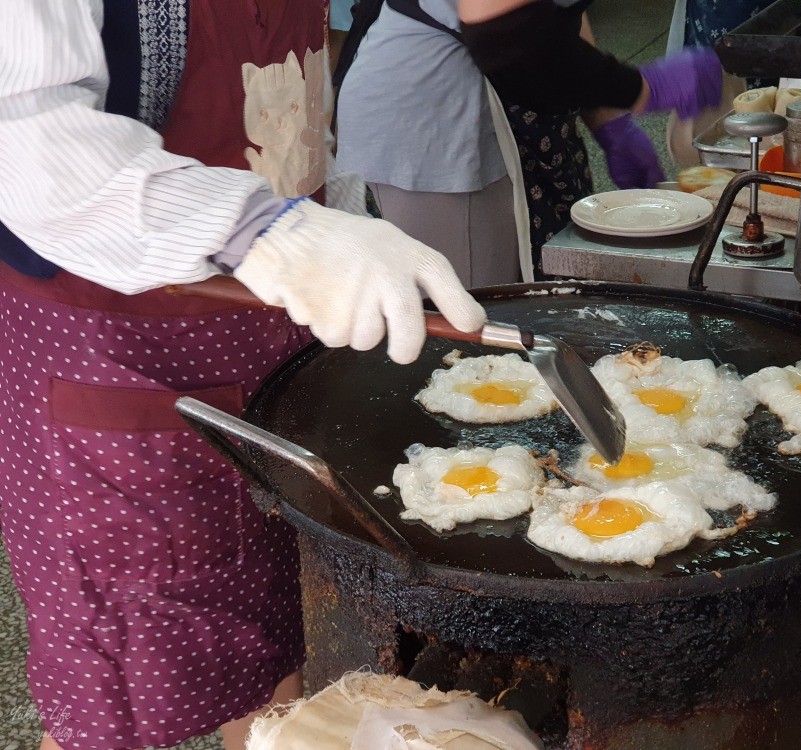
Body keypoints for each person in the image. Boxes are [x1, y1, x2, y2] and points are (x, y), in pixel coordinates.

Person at [0, 2, 485, 749]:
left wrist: (333, 225)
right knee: (122, 676)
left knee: (276, 637)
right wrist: (260, 230)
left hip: (273, 331)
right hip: (116, 347)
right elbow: (23, 133)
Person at [336, 0, 722, 283]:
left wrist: (609, 120)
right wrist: (642, 88)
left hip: (510, 96)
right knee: (476, 310)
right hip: (429, 122)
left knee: (531, 287)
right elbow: (509, 33)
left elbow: (559, 15)